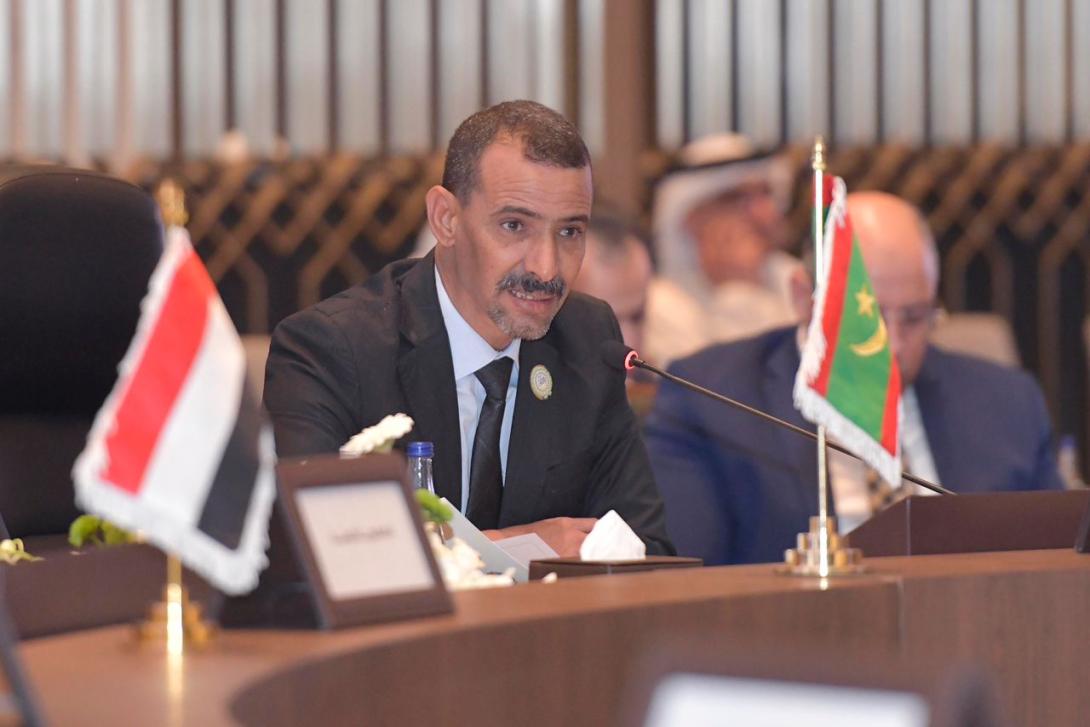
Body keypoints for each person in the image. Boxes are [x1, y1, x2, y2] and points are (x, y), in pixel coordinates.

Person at [265, 100, 672, 557]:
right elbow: (317, 550)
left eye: (569, 233)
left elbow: (645, 547)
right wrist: (515, 549)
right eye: (514, 225)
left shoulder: (586, 338)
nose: (546, 268)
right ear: (446, 219)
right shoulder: (332, 349)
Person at [644, 191, 1063, 566]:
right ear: (803, 299)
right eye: (868, 319)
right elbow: (688, 581)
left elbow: (1059, 564)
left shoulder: (1008, 402)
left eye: (914, 317)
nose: (892, 344)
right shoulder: (710, 400)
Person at [643, 134, 803, 367]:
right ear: (689, 218)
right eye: (734, 199)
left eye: (766, 193)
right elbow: (742, 380)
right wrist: (739, 290)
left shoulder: (794, 278)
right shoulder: (658, 307)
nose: (763, 213)